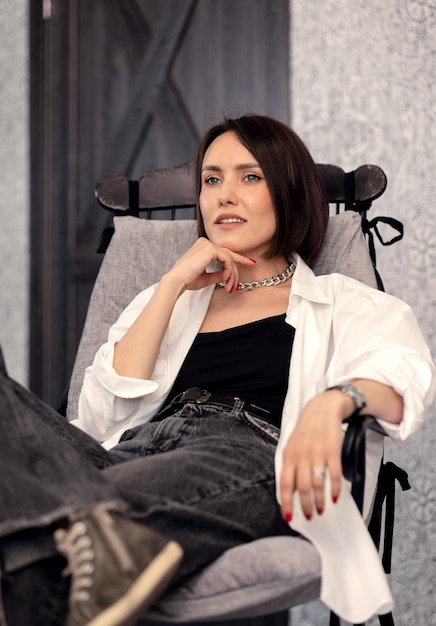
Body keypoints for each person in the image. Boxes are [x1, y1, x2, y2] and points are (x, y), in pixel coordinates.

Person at [0, 115, 434, 626]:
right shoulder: (167, 299)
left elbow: (403, 377)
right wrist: (170, 286)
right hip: (124, 452)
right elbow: (97, 416)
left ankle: (64, 536)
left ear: (289, 193)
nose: (224, 195)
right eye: (212, 180)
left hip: (245, 448)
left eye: (250, 177)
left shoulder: (342, 302)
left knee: (39, 518)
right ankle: (89, 538)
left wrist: (333, 403)